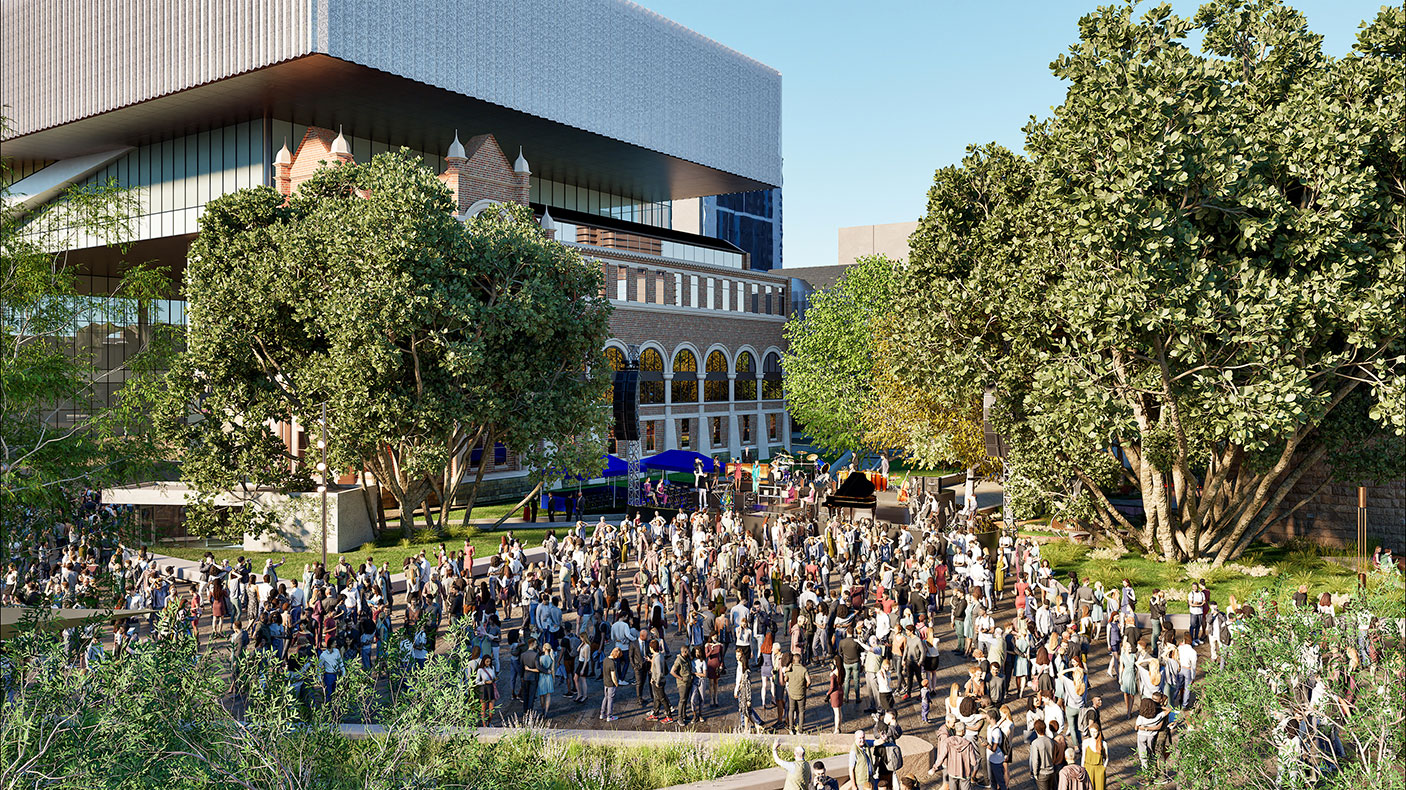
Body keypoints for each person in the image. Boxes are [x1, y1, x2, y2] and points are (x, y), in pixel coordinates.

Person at [928, 720, 980, 790]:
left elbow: (941, 756)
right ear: (963, 731)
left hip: (952, 771)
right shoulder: (968, 744)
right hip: (965, 773)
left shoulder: (948, 742)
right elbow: (974, 762)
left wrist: (934, 768)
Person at [1029, 719, 1058, 790]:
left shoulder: (1035, 743)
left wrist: (1035, 773)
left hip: (1042, 773)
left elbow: (1035, 760)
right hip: (1051, 770)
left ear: (1036, 730)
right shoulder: (1050, 741)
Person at [1081, 722, 1107, 790]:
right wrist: (1082, 769)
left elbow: (1106, 757)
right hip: (1088, 768)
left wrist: (1104, 768)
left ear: (1098, 732)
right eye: (1091, 731)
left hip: (1099, 769)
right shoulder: (1086, 742)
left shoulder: (1103, 743)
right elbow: (1083, 757)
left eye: (1095, 732)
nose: (1093, 733)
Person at [600, 647, 621, 721]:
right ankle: (609, 715)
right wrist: (616, 683)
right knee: (610, 700)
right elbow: (613, 676)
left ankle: (602, 714)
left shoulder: (605, 659)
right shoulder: (612, 663)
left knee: (605, 698)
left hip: (605, 682)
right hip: (611, 684)